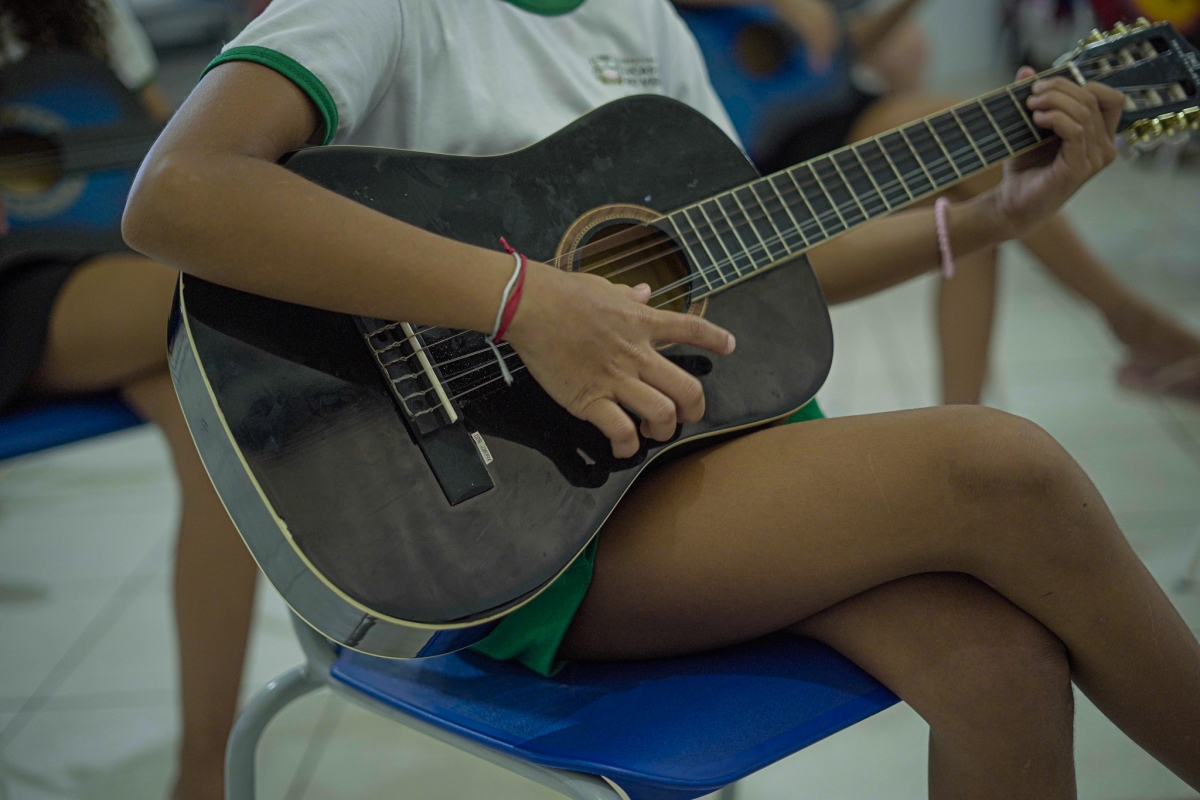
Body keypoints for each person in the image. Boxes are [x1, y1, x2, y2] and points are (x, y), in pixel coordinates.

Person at [124, 0, 1200, 794]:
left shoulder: (641, 17)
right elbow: (176, 192)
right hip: (522, 522)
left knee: (1007, 669)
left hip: (684, 456)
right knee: (1001, 465)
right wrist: (521, 302)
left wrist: (987, 221)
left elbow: (751, 263)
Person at [683, 0, 1200, 405]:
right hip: (755, 153)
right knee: (965, 157)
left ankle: (966, 426)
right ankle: (1131, 323)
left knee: (970, 186)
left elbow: (837, 55)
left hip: (830, 114)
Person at [0, 2, 257, 798]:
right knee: (226, 295)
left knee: (217, 430)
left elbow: (156, 139)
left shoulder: (90, 10)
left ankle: (202, 774)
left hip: (97, 260)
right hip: (17, 285)